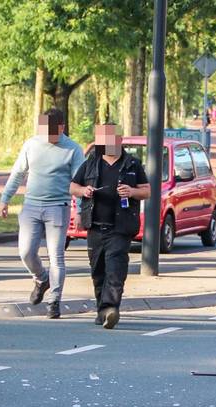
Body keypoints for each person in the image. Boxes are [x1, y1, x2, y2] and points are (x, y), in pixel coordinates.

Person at [0, 108, 83, 319]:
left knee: (57, 256)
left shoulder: (73, 149)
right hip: (31, 206)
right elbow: (18, 173)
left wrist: (78, 210)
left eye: (52, 131)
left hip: (58, 206)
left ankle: (54, 301)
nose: (48, 136)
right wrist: (4, 199)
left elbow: (79, 183)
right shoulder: (32, 144)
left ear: (62, 127)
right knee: (26, 252)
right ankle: (41, 278)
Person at [70, 122, 149, 329]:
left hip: (120, 226)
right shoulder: (91, 162)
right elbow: (73, 186)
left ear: (119, 140)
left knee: (115, 269)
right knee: (98, 271)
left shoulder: (132, 163)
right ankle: (102, 310)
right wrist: (84, 191)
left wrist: (131, 192)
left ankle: (111, 308)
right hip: (95, 225)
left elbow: (147, 191)